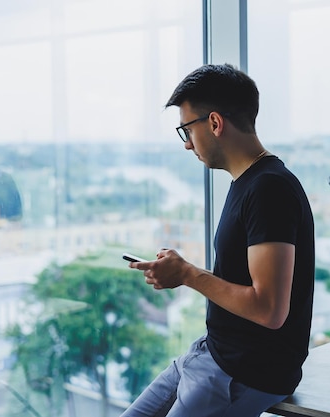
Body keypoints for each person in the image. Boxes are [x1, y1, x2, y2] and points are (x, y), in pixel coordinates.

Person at [121, 63, 315, 417]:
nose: (187, 145)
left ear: (214, 123)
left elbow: (270, 310)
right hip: (210, 354)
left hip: (243, 373)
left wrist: (187, 274)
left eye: (186, 130)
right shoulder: (248, 182)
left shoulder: (269, 188)